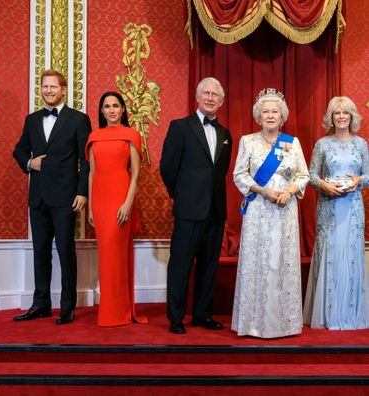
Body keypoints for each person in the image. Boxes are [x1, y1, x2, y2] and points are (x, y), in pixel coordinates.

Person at [13, 69, 91, 324]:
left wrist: (82, 192)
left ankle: (67, 307)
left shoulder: (79, 119)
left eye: (53, 87)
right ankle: (41, 304)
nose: (48, 91)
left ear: (64, 89)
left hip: (66, 197)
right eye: (45, 87)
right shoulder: (32, 119)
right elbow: (19, 150)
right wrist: (29, 163)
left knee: (66, 251)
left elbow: (85, 160)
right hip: (37, 197)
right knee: (40, 252)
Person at [232, 88, 309, 338]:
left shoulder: (291, 143)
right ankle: (253, 324)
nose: (270, 115)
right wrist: (263, 191)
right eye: (265, 111)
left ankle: (284, 324)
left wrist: (289, 190)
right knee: (258, 261)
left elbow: (303, 175)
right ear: (258, 116)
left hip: (284, 210)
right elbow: (239, 175)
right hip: (258, 209)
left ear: (282, 115)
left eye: (275, 111)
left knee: (281, 260)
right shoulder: (248, 141)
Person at [160, 77, 232, 334]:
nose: (211, 98)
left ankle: (203, 315)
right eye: (207, 93)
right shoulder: (180, 127)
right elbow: (167, 167)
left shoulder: (225, 134)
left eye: (216, 95)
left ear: (221, 101)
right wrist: (180, 195)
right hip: (188, 209)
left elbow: (220, 171)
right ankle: (176, 317)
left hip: (215, 209)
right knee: (180, 263)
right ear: (198, 97)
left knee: (209, 265)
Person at [303, 96, 369, 330]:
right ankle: (327, 315)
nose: (341, 117)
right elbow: (310, 176)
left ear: (352, 117)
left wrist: (358, 180)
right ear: (331, 117)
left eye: (345, 113)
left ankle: (351, 314)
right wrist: (324, 186)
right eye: (336, 113)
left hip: (352, 208)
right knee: (330, 253)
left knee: (350, 255)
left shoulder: (361, 144)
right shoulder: (322, 144)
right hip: (328, 207)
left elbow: (368, 176)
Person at [85, 91, 147, 327]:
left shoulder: (131, 135)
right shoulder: (94, 137)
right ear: (101, 111)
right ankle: (109, 310)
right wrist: (90, 207)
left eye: (115, 106)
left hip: (121, 200)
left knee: (117, 256)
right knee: (105, 256)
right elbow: (91, 174)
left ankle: (119, 312)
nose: (111, 110)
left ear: (123, 109)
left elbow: (136, 173)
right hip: (100, 202)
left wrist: (128, 203)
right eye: (107, 106)